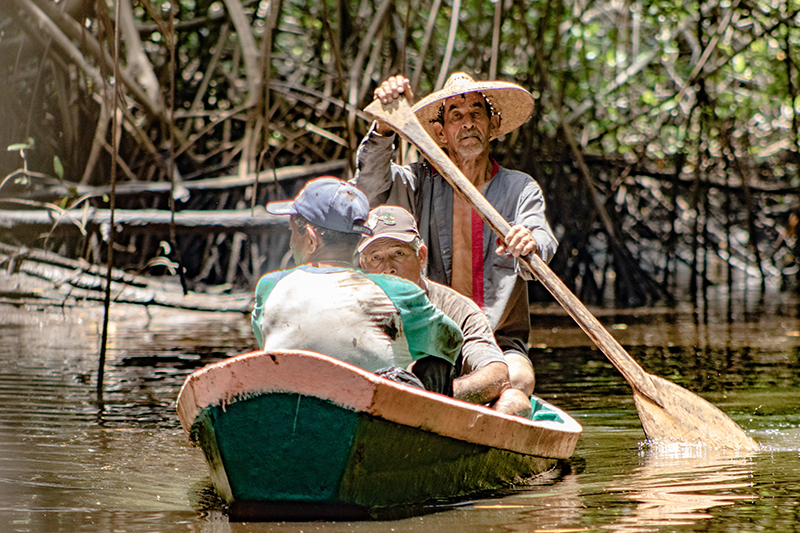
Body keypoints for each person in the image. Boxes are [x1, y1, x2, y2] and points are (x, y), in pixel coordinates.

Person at [353, 72, 559, 397]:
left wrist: (530, 243)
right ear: (441, 133)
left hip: (497, 338)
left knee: (518, 383)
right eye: (457, 116)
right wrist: (384, 126)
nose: (468, 124)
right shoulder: (416, 181)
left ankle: (456, 406)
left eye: (477, 113)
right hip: (426, 331)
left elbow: (541, 243)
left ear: (493, 126)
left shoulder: (519, 188)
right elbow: (368, 188)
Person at [250, 176, 462, 395]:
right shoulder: (397, 291)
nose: (291, 242)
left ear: (311, 238)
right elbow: (452, 341)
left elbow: (267, 341)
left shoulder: (269, 286)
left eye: (293, 232)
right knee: (437, 360)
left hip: (287, 400)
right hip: (368, 411)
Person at [358, 205, 532, 417]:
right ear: (363, 265)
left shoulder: (458, 309)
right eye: (376, 258)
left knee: (516, 400)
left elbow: (496, 374)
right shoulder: (349, 302)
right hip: (369, 402)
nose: (388, 268)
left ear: (421, 257)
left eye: (399, 253)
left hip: (440, 408)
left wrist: (431, 398)